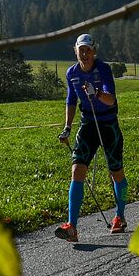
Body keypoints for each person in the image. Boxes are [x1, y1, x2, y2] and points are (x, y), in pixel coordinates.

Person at [55, 34, 129, 241]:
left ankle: (120, 216)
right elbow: (70, 100)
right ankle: (72, 227)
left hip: (108, 124)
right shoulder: (72, 73)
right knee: (77, 170)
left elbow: (110, 98)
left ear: (94, 51)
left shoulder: (103, 68)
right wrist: (67, 127)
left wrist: (95, 93)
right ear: (75, 51)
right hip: (88, 124)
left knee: (117, 173)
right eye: (81, 50)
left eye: (88, 50)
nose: (85, 54)